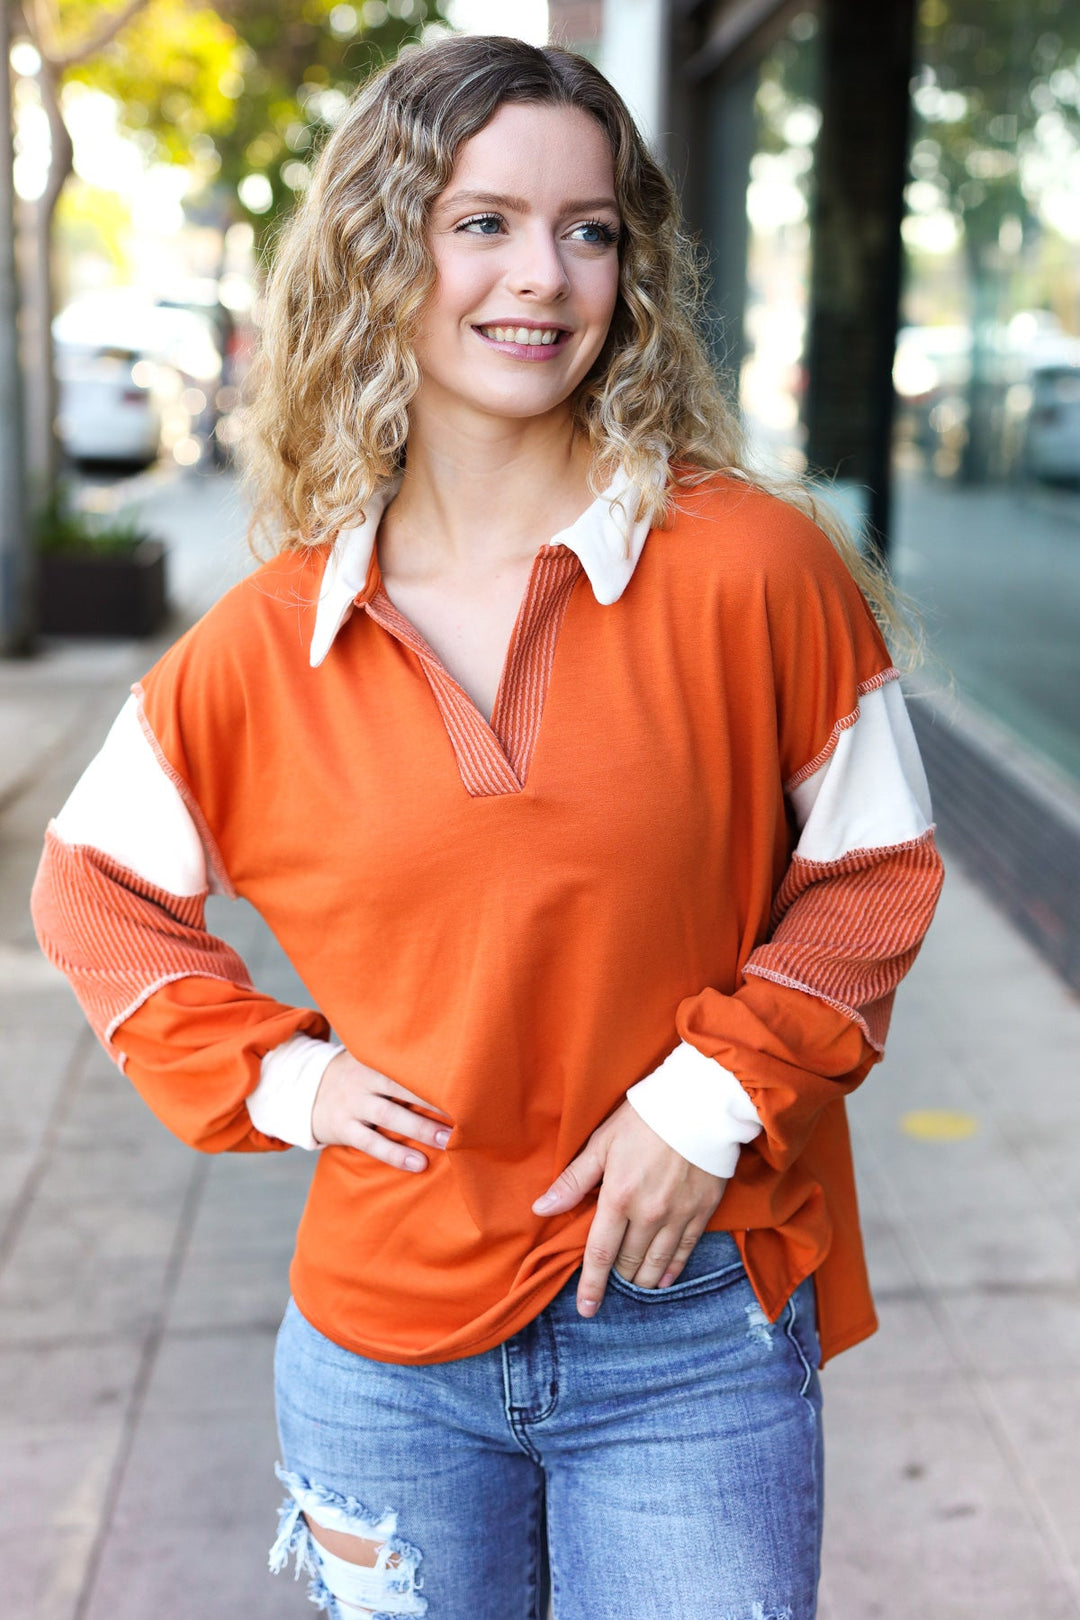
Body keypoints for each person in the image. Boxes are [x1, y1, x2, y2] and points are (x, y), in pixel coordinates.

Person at [31, 34, 944, 1620]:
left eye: (588, 229)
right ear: (385, 253)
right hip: (382, 1359)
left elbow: (874, 875)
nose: (544, 275)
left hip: (687, 1325)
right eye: (484, 223)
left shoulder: (751, 571)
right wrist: (285, 1079)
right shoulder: (270, 643)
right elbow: (91, 892)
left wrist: (709, 1104)